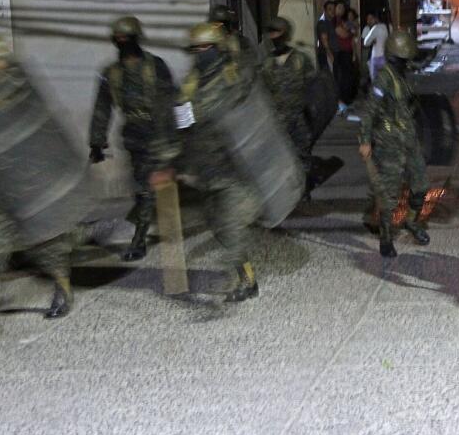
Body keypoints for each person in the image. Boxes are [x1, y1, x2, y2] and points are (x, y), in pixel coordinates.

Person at [0, 34, 75, 344]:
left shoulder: (23, 98)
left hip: (24, 194)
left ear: (1, 64)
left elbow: (44, 146)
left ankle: (63, 285)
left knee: (45, 251)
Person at [150, 23, 261, 303]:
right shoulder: (190, 86)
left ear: (218, 49)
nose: (200, 54)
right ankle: (248, 276)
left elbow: (255, 119)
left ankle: (235, 278)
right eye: (196, 49)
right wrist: (171, 163)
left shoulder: (235, 77)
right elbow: (182, 128)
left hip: (236, 167)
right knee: (219, 226)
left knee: (231, 223)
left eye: (205, 48)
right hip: (208, 170)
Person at [88, 16, 177, 262]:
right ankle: (145, 225)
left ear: (137, 38)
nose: (123, 43)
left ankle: (139, 241)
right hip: (134, 137)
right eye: (119, 40)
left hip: (158, 134)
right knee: (142, 189)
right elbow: (102, 108)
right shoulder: (111, 73)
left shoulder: (156, 66)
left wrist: (182, 132)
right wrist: (96, 142)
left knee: (149, 190)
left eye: (127, 39)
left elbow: (173, 101)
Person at [359, 31, 430, 257]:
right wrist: (365, 140)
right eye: (403, 60)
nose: (406, 64)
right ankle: (386, 238)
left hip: (408, 138)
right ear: (393, 58)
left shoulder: (401, 75)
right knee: (389, 193)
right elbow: (369, 110)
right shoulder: (384, 79)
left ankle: (411, 221)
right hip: (389, 142)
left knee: (421, 184)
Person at [260, 17, 318, 164]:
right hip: (277, 122)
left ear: (285, 34)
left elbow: (313, 87)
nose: (273, 37)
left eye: (276, 32)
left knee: (302, 157)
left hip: (299, 119)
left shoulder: (300, 59)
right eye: (271, 33)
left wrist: (312, 114)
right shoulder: (267, 63)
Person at [209, 4, 259, 70]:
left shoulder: (241, 41)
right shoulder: (209, 43)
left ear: (229, 23)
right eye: (216, 24)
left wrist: (235, 59)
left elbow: (251, 59)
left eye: (224, 23)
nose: (221, 27)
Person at [333, 1, 358, 113]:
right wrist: (350, 32)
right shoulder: (335, 21)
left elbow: (352, 35)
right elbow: (343, 33)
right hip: (341, 53)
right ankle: (342, 101)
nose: (341, 9)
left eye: (342, 7)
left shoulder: (345, 22)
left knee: (348, 77)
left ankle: (346, 100)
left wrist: (354, 53)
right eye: (339, 7)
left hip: (347, 52)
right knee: (342, 78)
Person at [361, 12, 389, 82]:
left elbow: (365, 42)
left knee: (375, 80)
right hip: (385, 56)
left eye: (371, 19)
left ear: (376, 19)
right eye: (367, 19)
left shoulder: (375, 28)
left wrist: (372, 40)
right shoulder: (387, 27)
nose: (369, 21)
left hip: (376, 57)